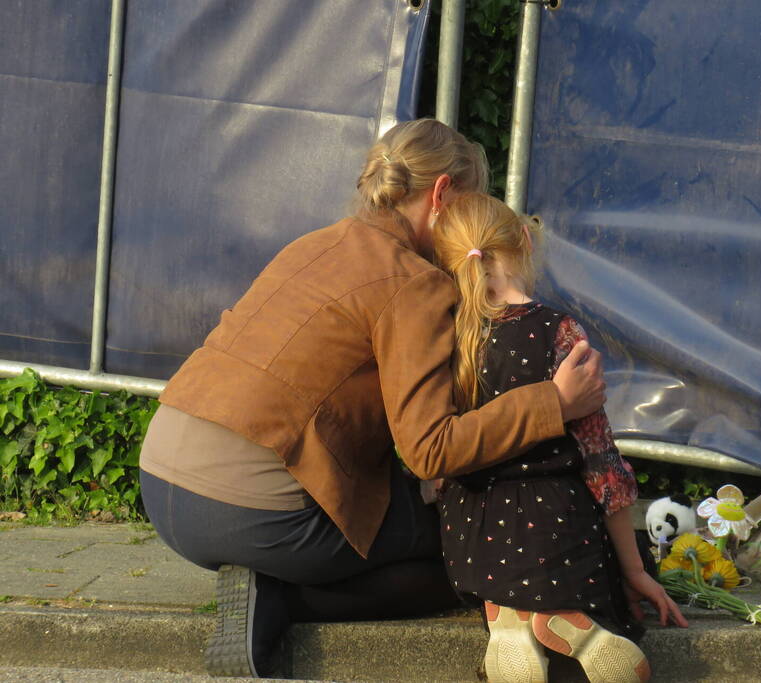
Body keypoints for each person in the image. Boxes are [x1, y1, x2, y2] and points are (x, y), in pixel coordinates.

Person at [138, 119, 606, 678]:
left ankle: (274, 579)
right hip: (252, 514)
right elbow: (431, 450)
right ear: (442, 195)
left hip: (163, 482)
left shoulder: (316, 243)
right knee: (471, 543)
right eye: (471, 202)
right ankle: (281, 599)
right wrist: (553, 402)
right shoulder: (415, 281)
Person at [431, 193, 687, 683]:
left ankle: (508, 618)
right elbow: (600, 462)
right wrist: (634, 571)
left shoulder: (447, 335)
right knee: (598, 575)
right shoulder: (559, 331)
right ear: (525, 240)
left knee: (496, 562)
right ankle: (564, 617)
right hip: (557, 523)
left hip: (473, 533)